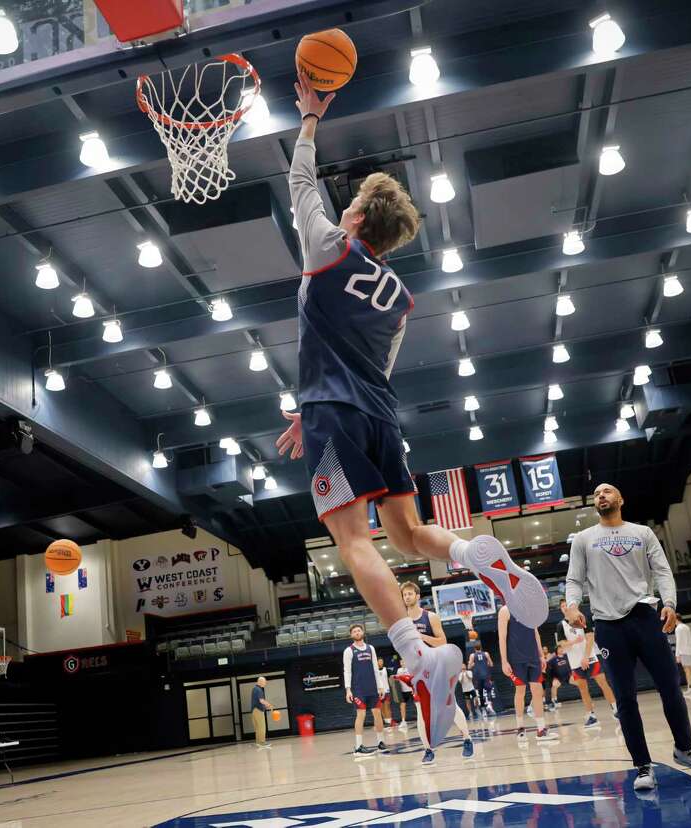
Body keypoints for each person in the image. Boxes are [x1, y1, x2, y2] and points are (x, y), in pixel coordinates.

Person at [277, 72, 549, 749]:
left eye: (350, 208)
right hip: (378, 414)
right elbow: (381, 366)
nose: (339, 211)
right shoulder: (400, 294)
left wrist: (309, 119)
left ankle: (418, 654)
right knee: (408, 533)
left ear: (360, 220)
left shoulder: (328, 249)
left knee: (353, 542)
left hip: (332, 414)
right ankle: (469, 551)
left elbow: (300, 185)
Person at [564, 483, 691, 791]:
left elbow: (662, 571)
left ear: (620, 499)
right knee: (624, 699)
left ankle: (685, 748)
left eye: (607, 492)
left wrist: (671, 604)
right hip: (609, 625)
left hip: (644, 616)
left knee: (670, 687)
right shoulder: (583, 539)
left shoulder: (642, 533)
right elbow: (574, 579)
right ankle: (643, 766)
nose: (601, 496)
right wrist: (571, 606)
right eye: (596, 494)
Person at [398, 581, 474, 763]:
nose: (407, 597)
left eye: (410, 593)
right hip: (417, 670)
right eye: (404, 594)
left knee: (450, 707)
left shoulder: (431, 617)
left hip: (436, 667)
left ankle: (467, 739)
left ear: (417, 596)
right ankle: (428, 750)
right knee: (420, 711)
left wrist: (421, 637)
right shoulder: (402, 622)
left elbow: (442, 642)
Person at [497, 605, 556, 745]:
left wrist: (541, 655)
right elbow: (502, 637)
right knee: (520, 691)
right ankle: (520, 728)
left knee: (537, 690)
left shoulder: (529, 608)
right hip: (516, 659)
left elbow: (536, 633)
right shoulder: (505, 611)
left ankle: (541, 730)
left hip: (533, 657)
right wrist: (504, 661)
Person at [559, 598, 619, 727]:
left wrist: (586, 657)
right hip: (575, 662)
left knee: (603, 683)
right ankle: (591, 716)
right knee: (583, 689)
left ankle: (616, 710)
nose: (564, 608)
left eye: (566, 605)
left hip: (590, 658)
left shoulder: (582, 619)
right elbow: (562, 645)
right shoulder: (560, 625)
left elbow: (590, 638)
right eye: (562, 606)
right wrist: (573, 642)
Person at [343, 624, 387, 756]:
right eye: (354, 631)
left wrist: (380, 686)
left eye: (358, 630)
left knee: (377, 714)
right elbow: (347, 671)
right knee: (360, 715)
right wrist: (348, 690)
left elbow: (375, 667)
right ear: (351, 635)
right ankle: (358, 746)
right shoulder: (349, 650)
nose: (357, 632)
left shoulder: (370, 648)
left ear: (363, 632)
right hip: (358, 689)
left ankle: (381, 742)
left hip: (372, 687)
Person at [467, 641, 496, 716]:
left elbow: (469, 667)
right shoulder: (486, 654)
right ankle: (489, 705)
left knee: (480, 693)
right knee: (489, 690)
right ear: (481, 647)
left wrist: (473, 664)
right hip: (486, 675)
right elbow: (491, 664)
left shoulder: (472, 655)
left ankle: (483, 710)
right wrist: (485, 663)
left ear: (474, 648)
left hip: (477, 676)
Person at [544, 641, 572, 712]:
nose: (561, 650)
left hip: (568, 676)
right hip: (558, 677)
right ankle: (555, 700)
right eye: (559, 649)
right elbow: (547, 664)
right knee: (554, 685)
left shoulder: (566, 656)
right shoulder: (553, 659)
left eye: (562, 648)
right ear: (556, 650)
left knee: (579, 682)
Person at [386, 653, 409, 731]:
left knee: (418, 705)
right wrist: (393, 677)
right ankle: (403, 721)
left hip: (412, 690)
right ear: (400, 663)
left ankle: (423, 719)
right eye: (401, 662)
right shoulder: (399, 670)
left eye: (404, 661)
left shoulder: (410, 668)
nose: (403, 663)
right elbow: (397, 679)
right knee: (402, 706)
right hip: (403, 691)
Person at [251, 677, 274, 749]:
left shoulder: (254, 689)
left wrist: (265, 707)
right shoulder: (258, 689)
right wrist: (269, 705)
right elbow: (261, 700)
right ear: (260, 682)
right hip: (258, 711)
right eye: (265, 682)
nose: (265, 684)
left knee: (258, 727)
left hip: (254, 710)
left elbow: (258, 701)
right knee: (261, 727)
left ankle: (258, 742)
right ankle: (262, 742)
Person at [376, 657, 393, 722]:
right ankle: (386, 721)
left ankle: (390, 721)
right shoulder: (375, 671)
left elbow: (391, 678)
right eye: (379, 661)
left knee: (387, 706)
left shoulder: (386, 670)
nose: (381, 662)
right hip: (379, 692)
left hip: (386, 691)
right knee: (382, 708)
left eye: (381, 661)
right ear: (377, 662)